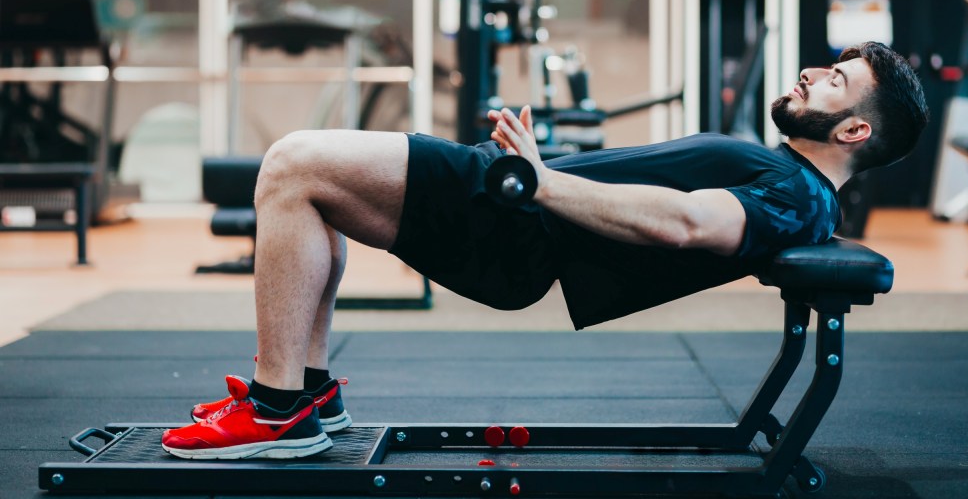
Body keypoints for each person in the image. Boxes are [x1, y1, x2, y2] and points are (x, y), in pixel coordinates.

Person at [160, 41, 928, 459]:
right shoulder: (792, 177)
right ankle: (305, 394)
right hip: (515, 206)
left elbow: (690, 225)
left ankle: (277, 408)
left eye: (834, 81)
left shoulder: (798, 195)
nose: (811, 73)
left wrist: (541, 182)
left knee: (293, 162)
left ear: (855, 131)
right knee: (308, 184)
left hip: (514, 219)